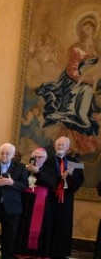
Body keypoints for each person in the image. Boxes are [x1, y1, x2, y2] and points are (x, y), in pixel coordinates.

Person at [36, 13, 100, 155]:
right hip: (75, 82)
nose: (85, 32)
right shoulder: (75, 48)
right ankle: (75, 143)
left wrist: (94, 79)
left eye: (88, 29)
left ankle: (86, 141)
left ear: (93, 30)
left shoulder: (96, 50)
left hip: (93, 83)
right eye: (83, 29)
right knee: (78, 103)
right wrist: (83, 79)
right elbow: (72, 69)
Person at [14, 147, 58, 259]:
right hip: (24, 201)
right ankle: (19, 252)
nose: (37, 159)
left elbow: (51, 183)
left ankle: (33, 254)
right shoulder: (24, 168)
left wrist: (38, 172)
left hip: (40, 203)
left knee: (37, 228)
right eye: (35, 157)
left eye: (40, 157)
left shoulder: (49, 170)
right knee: (22, 227)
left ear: (45, 159)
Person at [48, 137, 85, 259]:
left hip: (66, 198)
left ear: (68, 147)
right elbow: (44, 177)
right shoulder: (48, 160)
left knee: (64, 224)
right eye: (58, 144)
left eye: (63, 145)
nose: (60, 147)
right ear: (54, 146)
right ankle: (46, 250)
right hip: (50, 197)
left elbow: (80, 179)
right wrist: (59, 179)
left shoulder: (74, 162)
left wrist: (69, 177)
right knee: (49, 222)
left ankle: (60, 252)